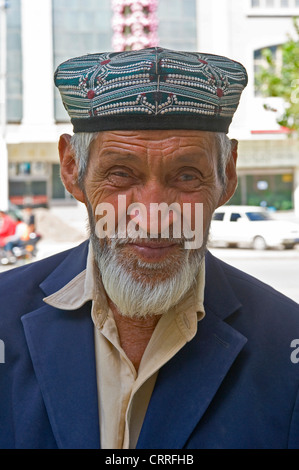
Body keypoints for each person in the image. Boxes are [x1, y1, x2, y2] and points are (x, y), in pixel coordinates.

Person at [0, 47, 298, 450]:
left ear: (227, 177)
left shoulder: (286, 343)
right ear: (72, 169)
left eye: (187, 175)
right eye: (121, 174)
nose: (154, 217)